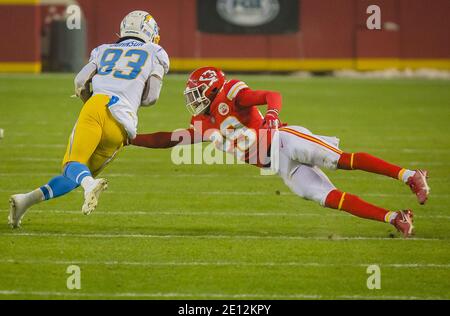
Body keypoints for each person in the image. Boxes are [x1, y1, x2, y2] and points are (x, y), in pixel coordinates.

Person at [130, 66, 430, 238]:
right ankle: (395, 218)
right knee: (326, 197)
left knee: (341, 161)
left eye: (196, 92)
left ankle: (410, 176)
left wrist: (272, 114)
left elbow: (271, 94)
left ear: (210, 89)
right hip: (279, 165)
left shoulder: (230, 94)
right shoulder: (202, 122)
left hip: (284, 139)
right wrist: (129, 138)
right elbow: (167, 139)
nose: (193, 100)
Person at [8, 10, 169, 228]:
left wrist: (89, 101)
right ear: (150, 32)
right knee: (79, 175)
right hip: (123, 127)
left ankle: (90, 185)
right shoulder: (156, 52)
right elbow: (151, 98)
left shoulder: (103, 50)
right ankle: (24, 201)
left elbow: (80, 81)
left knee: (72, 166)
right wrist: (131, 96)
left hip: (98, 106)